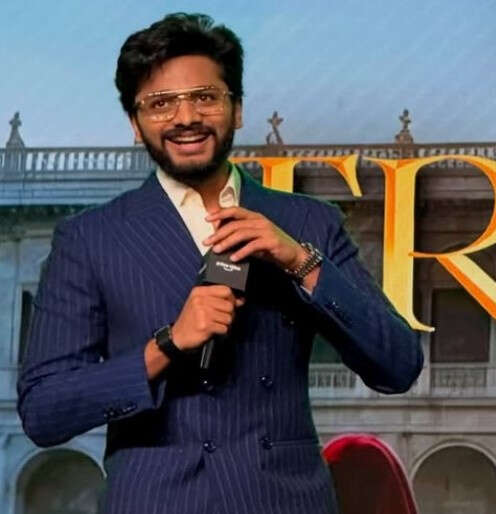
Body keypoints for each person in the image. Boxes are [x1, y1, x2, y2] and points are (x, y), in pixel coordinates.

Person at [17, 13, 422, 514]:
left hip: (282, 502)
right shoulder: (90, 238)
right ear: (135, 124)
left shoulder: (308, 223)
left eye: (205, 97)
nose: (185, 117)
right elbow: (44, 410)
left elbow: (398, 365)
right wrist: (168, 344)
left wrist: (300, 262)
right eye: (160, 103)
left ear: (238, 109)